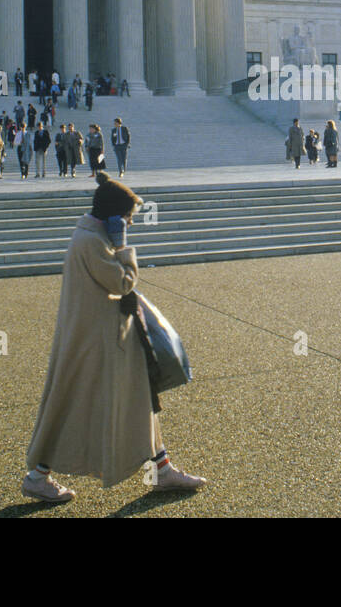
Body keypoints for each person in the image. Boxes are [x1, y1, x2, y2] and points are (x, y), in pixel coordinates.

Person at [20, 172, 206, 503]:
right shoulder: (93, 242)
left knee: (134, 400)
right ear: (114, 217)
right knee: (76, 405)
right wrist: (122, 247)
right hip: (97, 345)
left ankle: (162, 468)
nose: (130, 224)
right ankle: (38, 476)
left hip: (98, 340)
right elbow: (123, 283)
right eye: (128, 218)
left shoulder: (88, 237)